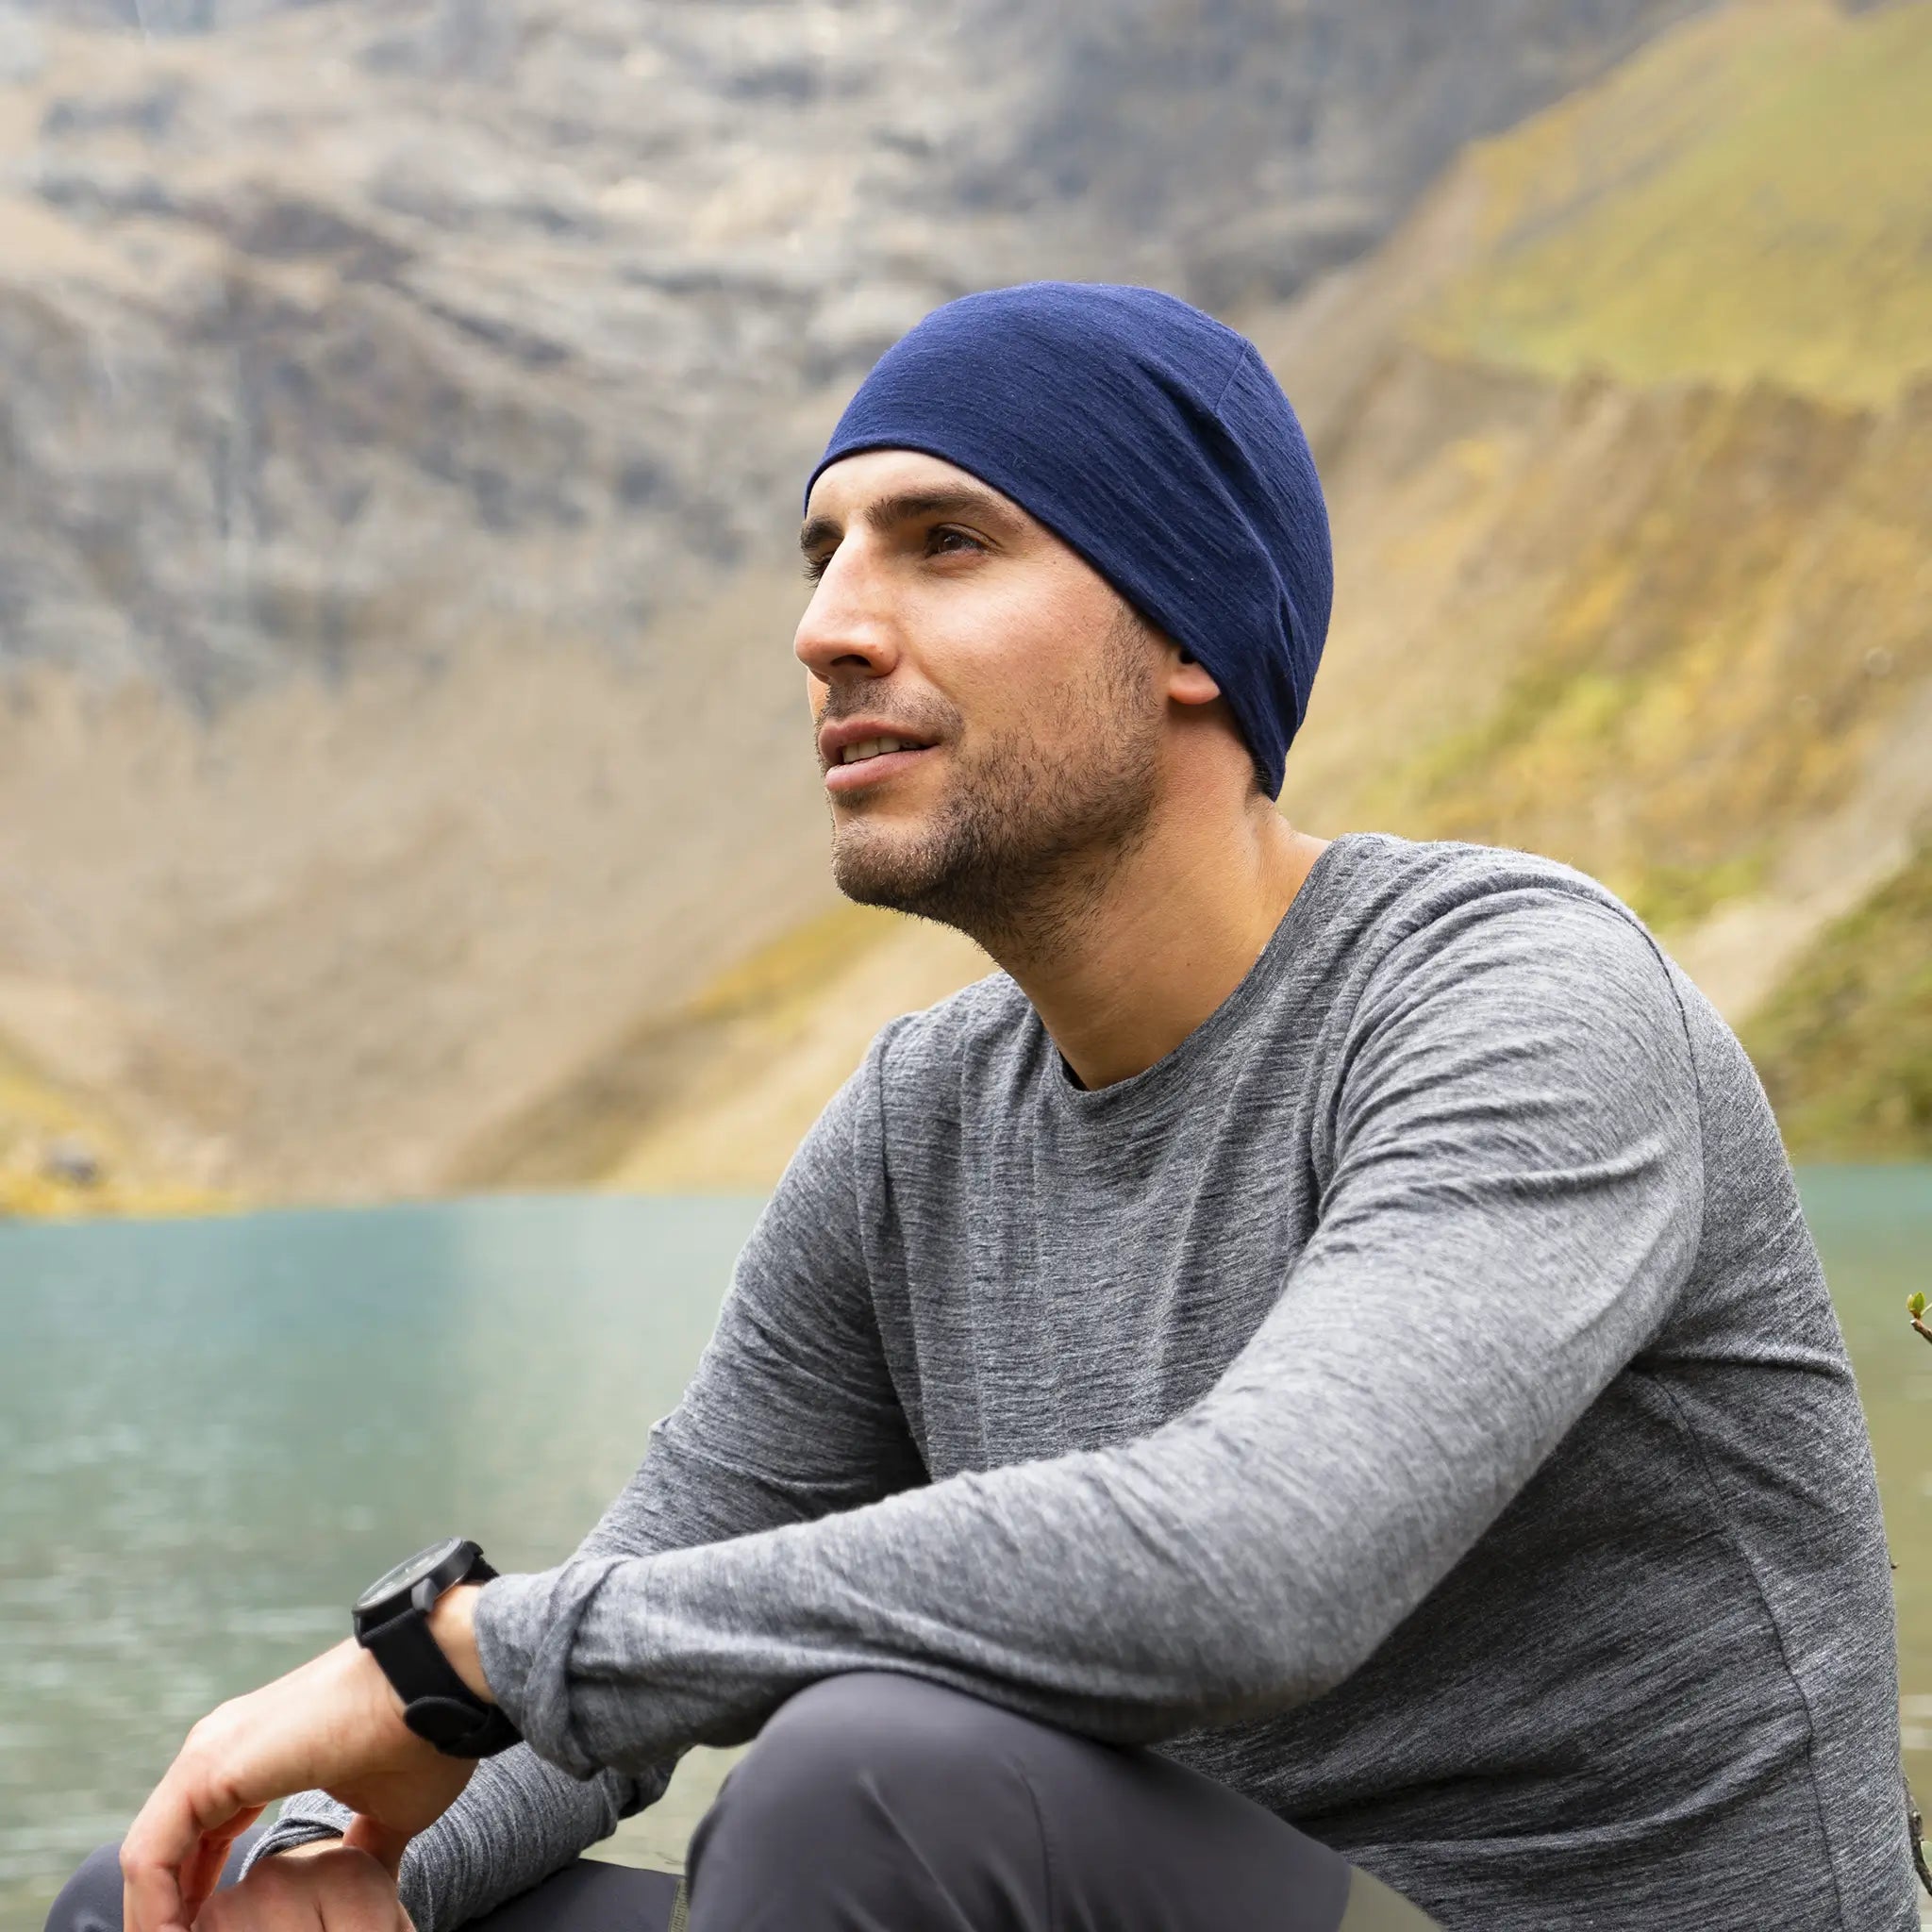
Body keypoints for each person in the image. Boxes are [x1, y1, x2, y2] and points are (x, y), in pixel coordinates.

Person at [50, 283, 1918, 1932]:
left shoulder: (1512, 998)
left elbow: (1259, 1562)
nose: (831, 627)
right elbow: (636, 1631)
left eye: (944, 542)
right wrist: (304, 1863)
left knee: (871, 1791)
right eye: (823, 553)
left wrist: (463, 1658)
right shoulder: (923, 1128)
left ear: (1190, 634)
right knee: (160, 1890)